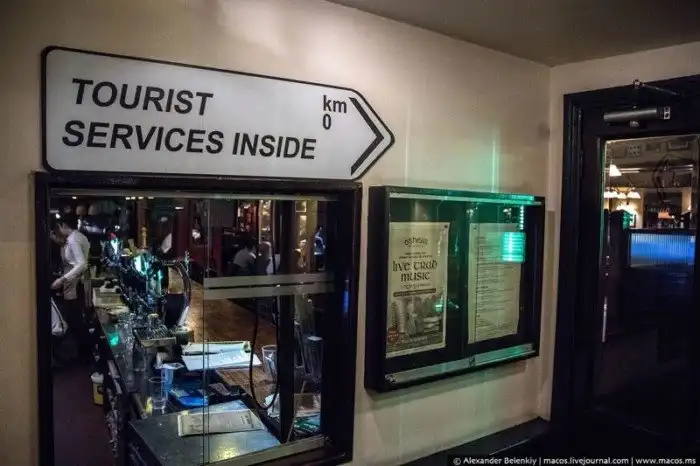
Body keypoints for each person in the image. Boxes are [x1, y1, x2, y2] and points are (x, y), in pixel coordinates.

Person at [51, 214, 92, 363]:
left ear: (63, 225)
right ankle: (83, 354)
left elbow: (81, 264)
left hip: (75, 283)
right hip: (80, 282)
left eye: (59, 227)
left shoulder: (73, 240)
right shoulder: (79, 237)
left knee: (75, 319)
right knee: (77, 318)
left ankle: (83, 356)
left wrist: (62, 279)